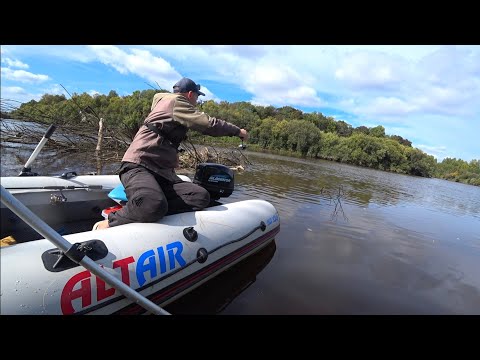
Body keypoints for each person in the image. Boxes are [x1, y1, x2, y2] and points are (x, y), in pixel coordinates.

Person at [92, 78, 248, 230]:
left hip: (162, 173)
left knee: (200, 196)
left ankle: (147, 208)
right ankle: (111, 221)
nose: (197, 101)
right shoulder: (177, 102)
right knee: (152, 203)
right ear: (189, 94)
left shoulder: (166, 105)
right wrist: (237, 131)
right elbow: (208, 124)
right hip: (139, 165)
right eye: (197, 96)